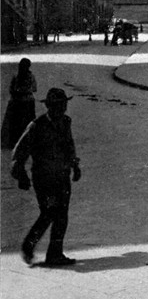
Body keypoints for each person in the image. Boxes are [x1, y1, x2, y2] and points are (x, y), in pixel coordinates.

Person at [11, 88, 81, 266]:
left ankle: (55, 255)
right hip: (44, 178)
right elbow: (19, 152)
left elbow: (69, 145)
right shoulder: (37, 126)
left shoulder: (66, 122)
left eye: (64, 104)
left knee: (62, 215)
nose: (63, 108)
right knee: (49, 212)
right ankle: (29, 245)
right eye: (58, 105)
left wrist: (75, 165)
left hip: (62, 175)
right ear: (49, 106)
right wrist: (21, 175)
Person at [2, 58, 38, 150]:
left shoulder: (16, 76)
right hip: (26, 101)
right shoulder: (30, 76)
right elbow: (34, 88)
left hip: (16, 101)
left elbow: (11, 89)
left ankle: (13, 141)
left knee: (15, 123)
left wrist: (18, 92)